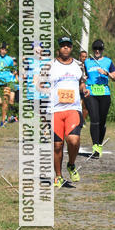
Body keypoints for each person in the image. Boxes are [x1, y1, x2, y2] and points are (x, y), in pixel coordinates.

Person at [44, 36, 85, 188]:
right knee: (57, 145)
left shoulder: (79, 65)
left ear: (71, 48)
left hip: (73, 108)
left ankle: (72, 164)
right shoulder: (50, 65)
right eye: (63, 46)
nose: (66, 48)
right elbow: (39, 84)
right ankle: (58, 176)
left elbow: (82, 83)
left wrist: (84, 90)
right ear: (59, 48)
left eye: (68, 45)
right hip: (55, 109)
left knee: (73, 140)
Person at [84, 39, 115, 159]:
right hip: (91, 92)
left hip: (104, 92)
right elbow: (83, 76)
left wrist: (107, 73)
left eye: (100, 49)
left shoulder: (108, 61)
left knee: (102, 120)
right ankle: (95, 146)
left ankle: (99, 143)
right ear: (93, 50)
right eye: (95, 49)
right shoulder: (87, 62)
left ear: (103, 50)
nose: (97, 51)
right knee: (94, 118)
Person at [78, 49, 89, 123]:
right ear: (80, 57)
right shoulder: (76, 65)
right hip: (78, 87)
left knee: (86, 106)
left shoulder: (88, 66)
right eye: (83, 57)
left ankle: (83, 121)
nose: (84, 58)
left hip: (86, 87)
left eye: (85, 57)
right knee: (78, 105)